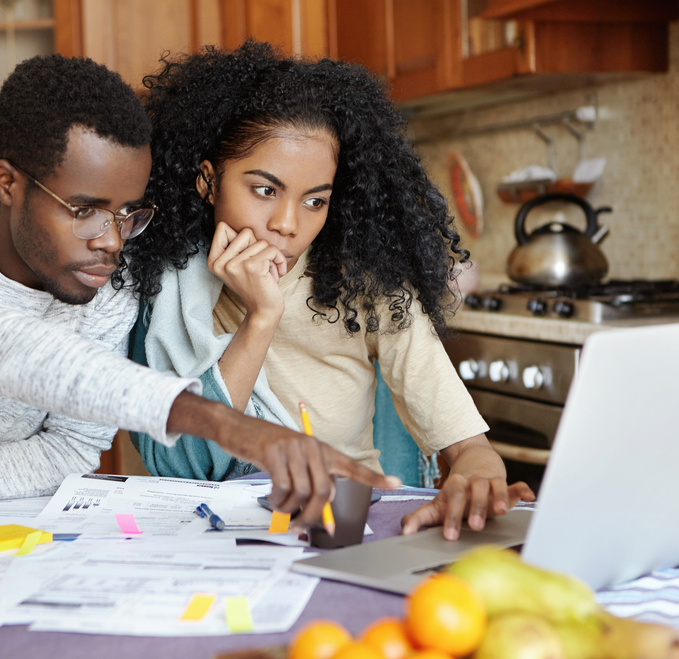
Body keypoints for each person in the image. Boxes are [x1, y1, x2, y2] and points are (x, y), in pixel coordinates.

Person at [0, 54, 395, 520]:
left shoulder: (109, 284)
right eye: (84, 210)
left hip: (35, 532)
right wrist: (227, 425)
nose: (111, 241)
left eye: (128, 213)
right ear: (7, 183)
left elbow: (72, 448)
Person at [125, 43, 534, 539]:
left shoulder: (367, 285)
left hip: (346, 527)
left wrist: (478, 475)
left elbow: (469, 448)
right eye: (264, 190)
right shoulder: (161, 285)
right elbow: (182, 466)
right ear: (209, 181)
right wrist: (261, 317)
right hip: (216, 535)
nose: (287, 225)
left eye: (315, 200)